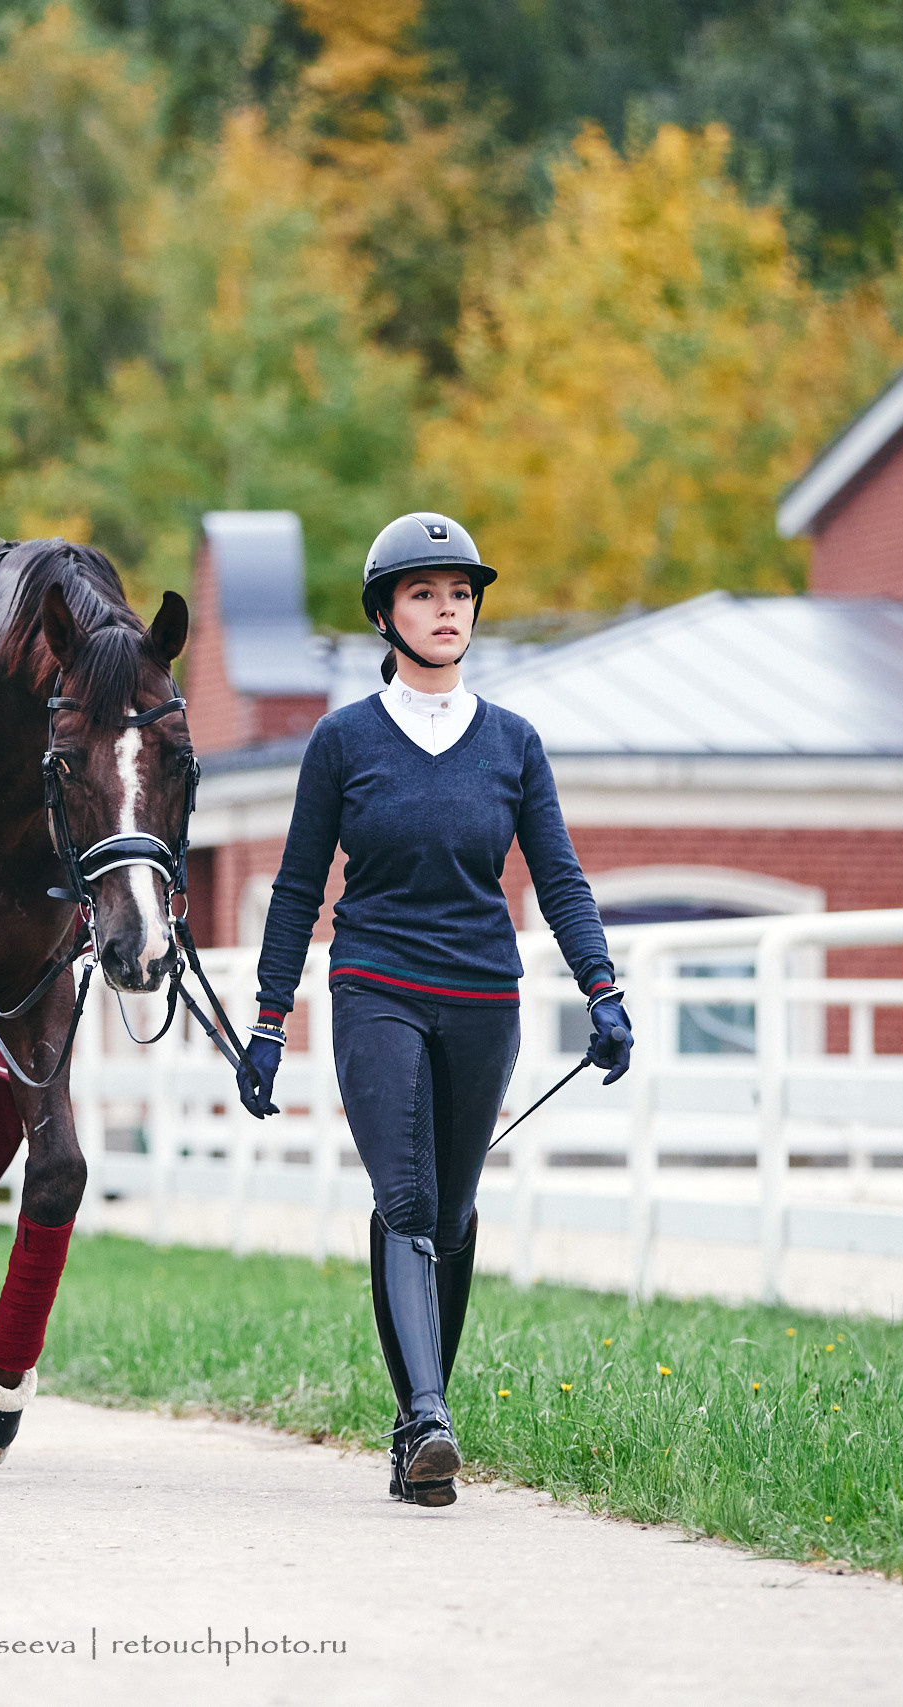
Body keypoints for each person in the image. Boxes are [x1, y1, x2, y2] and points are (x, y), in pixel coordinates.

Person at [235, 512, 632, 1507]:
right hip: (374, 984)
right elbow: (292, 891)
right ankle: (424, 1418)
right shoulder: (341, 742)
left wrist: (602, 986)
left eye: (459, 593)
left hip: (481, 997)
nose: (447, 608)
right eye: (424, 593)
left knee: (450, 1215)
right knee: (405, 1199)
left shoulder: (513, 743)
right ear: (384, 615)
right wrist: (267, 1020)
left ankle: (422, 1432)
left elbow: (560, 877)